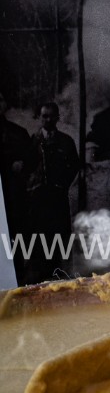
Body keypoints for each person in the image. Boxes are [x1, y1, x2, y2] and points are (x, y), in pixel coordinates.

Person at [25, 102, 79, 282]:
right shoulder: (32, 141)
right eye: (44, 116)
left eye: (51, 116)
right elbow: (27, 167)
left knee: (60, 236)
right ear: (39, 117)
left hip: (58, 198)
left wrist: (61, 185)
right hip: (38, 199)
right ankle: (42, 276)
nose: (48, 120)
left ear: (57, 118)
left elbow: (74, 166)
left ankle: (61, 275)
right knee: (40, 237)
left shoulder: (66, 141)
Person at [0, 91, 32, 284]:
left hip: (13, 194)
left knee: (15, 234)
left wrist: (22, 165)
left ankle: (18, 275)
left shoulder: (18, 133)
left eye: (0, 100)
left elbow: (31, 160)